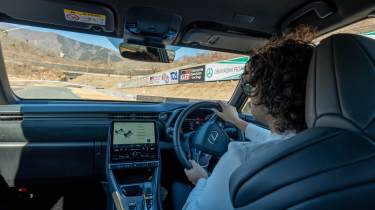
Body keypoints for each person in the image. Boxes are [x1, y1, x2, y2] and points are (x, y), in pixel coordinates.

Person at [172, 27, 316, 210]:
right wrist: (236, 121)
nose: (249, 96)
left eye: (249, 88)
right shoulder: (328, 141)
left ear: (269, 94)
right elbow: (275, 141)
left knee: (176, 189)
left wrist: (202, 181)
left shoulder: (241, 158)